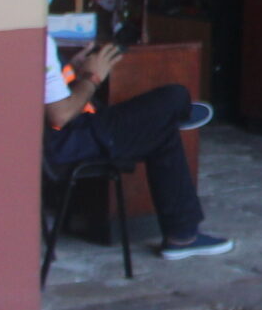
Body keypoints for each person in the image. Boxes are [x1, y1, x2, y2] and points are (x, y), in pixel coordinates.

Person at [43, 33, 232, 261]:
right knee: (174, 96)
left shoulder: (35, 42)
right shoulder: (41, 43)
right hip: (67, 143)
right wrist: (92, 77)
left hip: (68, 137)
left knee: (162, 132)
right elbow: (60, 115)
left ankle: (183, 236)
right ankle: (175, 118)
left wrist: (72, 68)